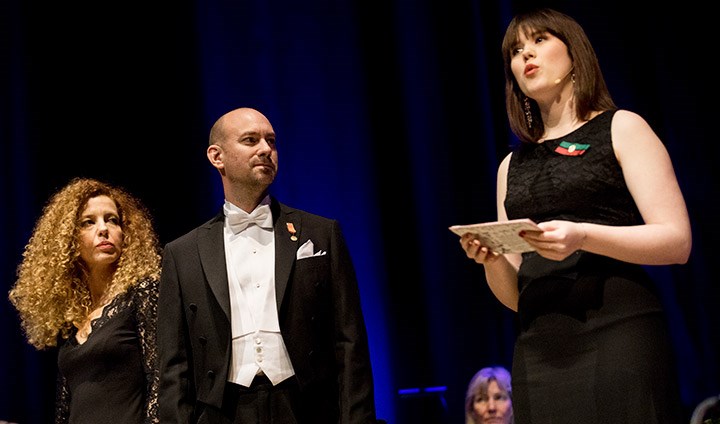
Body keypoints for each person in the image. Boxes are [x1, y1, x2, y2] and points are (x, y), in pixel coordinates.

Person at [458, 8, 692, 424]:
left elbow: (676, 241)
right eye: (515, 50)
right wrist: (491, 259)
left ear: (574, 54)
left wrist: (583, 236)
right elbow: (514, 296)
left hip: (619, 328)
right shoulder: (510, 166)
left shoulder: (621, 128)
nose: (526, 55)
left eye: (540, 41)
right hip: (540, 347)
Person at [156, 107, 378, 423]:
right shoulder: (182, 253)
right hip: (223, 412)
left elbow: (350, 342)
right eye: (251, 140)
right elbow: (174, 367)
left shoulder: (320, 233)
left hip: (307, 407)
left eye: (271, 141)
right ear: (216, 156)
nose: (265, 149)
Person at [8, 177, 162, 424]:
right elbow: (65, 409)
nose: (104, 229)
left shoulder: (142, 293)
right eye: (88, 223)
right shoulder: (74, 318)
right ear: (70, 240)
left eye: (112, 220)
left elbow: (160, 379)